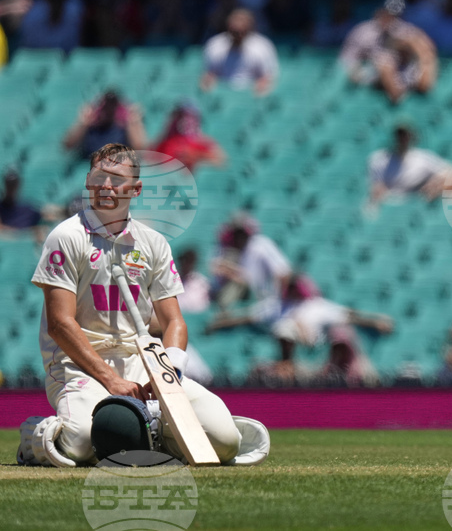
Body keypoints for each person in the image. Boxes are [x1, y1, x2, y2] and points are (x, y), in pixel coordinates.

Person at [18, 143, 242, 466]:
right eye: (99, 177)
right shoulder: (65, 237)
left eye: (117, 179)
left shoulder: (153, 242)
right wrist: (111, 380)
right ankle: (36, 436)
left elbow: (174, 322)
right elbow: (59, 324)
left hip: (140, 361)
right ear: (88, 181)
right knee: (81, 443)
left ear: (136, 189)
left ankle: (146, 434)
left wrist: (168, 372)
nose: (106, 186)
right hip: (78, 365)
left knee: (225, 440)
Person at [267, 274, 392, 387]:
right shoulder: (277, 306)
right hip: (292, 355)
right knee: (285, 329)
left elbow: (346, 315)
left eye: (294, 286)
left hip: (317, 352)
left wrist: (374, 321)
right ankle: (286, 366)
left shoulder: (316, 306)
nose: (293, 290)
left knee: (343, 334)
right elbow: (257, 316)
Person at [339, 0, 438, 104]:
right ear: (379, 11)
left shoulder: (404, 30)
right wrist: (358, 72)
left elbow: (426, 49)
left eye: (394, 16)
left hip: (401, 73)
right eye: (387, 13)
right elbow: (347, 60)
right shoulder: (363, 31)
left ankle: (411, 89)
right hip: (369, 73)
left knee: (417, 45)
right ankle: (396, 94)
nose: (389, 19)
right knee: (384, 61)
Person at [207, 213, 291, 331]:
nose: (239, 236)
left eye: (241, 232)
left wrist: (279, 300)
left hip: (258, 297)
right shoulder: (225, 248)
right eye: (236, 233)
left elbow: (283, 272)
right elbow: (214, 271)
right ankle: (222, 314)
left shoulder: (260, 245)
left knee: (239, 284)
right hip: (232, 296)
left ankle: (224, 315)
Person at [366, 119, 452, 211]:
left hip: (416, 206)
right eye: (399, 135)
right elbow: (375, 188)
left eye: (405, 135)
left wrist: (434, 182)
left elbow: (449, 171)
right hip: (388, 207)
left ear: (411, 136)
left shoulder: (422, 159)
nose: (402, 139)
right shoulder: (379, 160)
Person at [201, 8, 279, 96]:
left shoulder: (263, 47)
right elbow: (208, 75)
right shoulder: (215, 45)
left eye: (242, 31)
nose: (238, 35)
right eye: (235, 32)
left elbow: (267, 78)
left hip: (251, 94)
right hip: (223, 94)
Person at [63, 90, 147, 161]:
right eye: (105, 107)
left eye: (111, 107)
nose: (108, 112)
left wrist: (133, 123)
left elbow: (140, 149)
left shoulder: (122, 129)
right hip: (88, 163)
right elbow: (68, 145)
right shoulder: (90, 128)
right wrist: (82, 123)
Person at [154, 102, 226, 172]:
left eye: (190, 118)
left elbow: (220, 161)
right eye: (181, 116)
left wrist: (194, 155)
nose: (185, 122)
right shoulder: (166, 144)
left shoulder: (202, 144)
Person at [175, 248, 211, 315]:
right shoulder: (170, 280)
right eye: (183, 261)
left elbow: (202, 306)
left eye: (188, 261)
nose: (185, 264)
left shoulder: (201, 283)